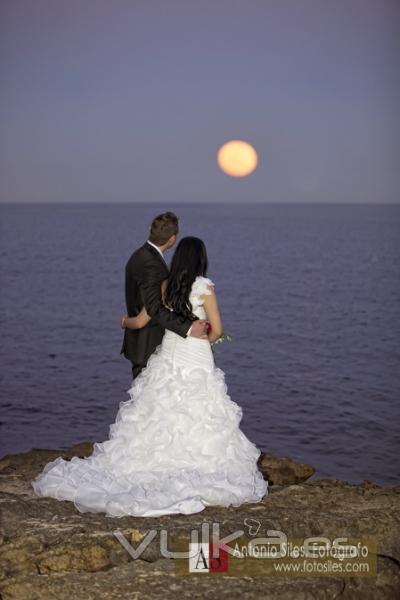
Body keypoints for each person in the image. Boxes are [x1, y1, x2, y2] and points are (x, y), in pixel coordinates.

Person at [31, 236, 268, 517]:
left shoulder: (164, 286)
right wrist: (209, 340)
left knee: (160, 402)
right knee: (200, 405)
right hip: (196, 354)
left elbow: (143, 319)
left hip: (170, 352)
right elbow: (216, 329)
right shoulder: (205, 287)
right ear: (201, 259)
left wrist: (123, 322)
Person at [120, 212, 209, 380]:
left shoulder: (141, 255)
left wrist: (126, 321)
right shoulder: (151, 264)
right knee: (148, 404)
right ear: (172, 239)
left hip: (146, 344)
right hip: (147, 346)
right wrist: (189, 328)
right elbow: (154, 308)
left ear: (150, 229)